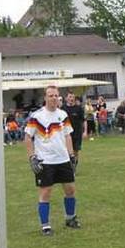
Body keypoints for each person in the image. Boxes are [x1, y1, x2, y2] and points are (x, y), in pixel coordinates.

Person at [25, 85, 80, 236]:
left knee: (70, 190)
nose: (54, 98)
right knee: (45, 193)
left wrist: (71, 155)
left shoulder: (63, 114)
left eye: (56, 95)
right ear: (45, 97)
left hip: (63, 159)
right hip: (45, 161)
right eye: (51, 95)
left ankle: (70, 218)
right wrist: (32, 157)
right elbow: (28, 137)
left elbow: (67, 135)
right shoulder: (36, 116)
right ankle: (45, 226)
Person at [63, 92, 86, 172]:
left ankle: (73, 167)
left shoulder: (79, 108)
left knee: (75, 151)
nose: (71, 99)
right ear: (66, 98)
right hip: (66, 134)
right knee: (67, 151)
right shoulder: (62, 109)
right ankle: (68, 167)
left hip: (77, 133)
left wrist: (85, 131)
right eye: (70, 97)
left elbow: (84, 120)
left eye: (73, 97)